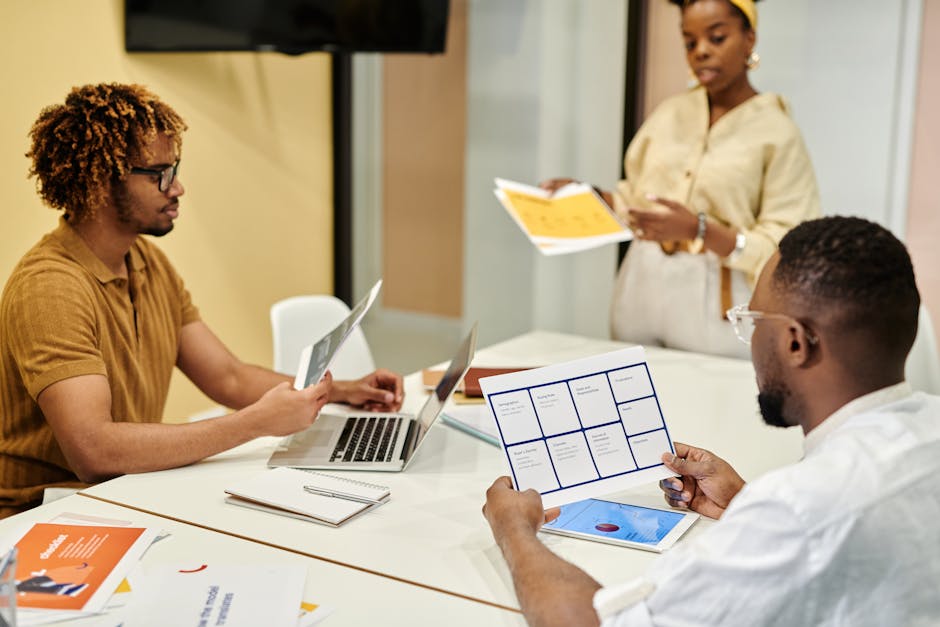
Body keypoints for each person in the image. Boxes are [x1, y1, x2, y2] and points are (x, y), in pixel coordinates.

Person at [483, 216, 940, 626]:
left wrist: (515, 530)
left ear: (797, 343)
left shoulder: (799, 508)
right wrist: (744, 502)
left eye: (752, 320)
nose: (750, 339)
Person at [0, 83, 404, 518]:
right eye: (161, 174)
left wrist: (341, 391)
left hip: (116, 496)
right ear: (101, 180)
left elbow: (227, 377)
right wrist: (256, 424)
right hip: (43, 517)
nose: (178, 189)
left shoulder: (146, 261)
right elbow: (93, 450)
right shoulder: (49, 287)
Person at [542, 0, 820, 359]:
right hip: (641, 284)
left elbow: (787, 243)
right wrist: (590, 196)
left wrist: (699, 231)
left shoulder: (777, 132)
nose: (701, 51)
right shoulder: (670, 114)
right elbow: (636, 200)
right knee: (636, 397)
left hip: (718, 301)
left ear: (749, 38)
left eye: (716, 38)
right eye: (690, 42)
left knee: (706, 404)